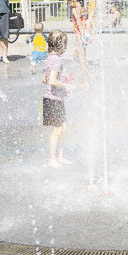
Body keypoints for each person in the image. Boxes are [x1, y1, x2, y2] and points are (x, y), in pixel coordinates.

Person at [43, 30, 74, 167]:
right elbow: (52, 80)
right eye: (65, 45)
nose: (65, 48)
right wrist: (67, 85)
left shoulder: (49, 58)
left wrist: (62, 87)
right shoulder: (57, 60)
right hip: (53, 100)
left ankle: (60, 156)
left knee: (64, 128)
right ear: (59, 46)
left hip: (54, 99)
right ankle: (52, 159)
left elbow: (44, 78)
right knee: (57, 131)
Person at [67, 0, 91, 79]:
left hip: (79, 33)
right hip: (84, 32)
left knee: (79, 53)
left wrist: (81, 34)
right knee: (81, 52)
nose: (69, 5)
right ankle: (83, 69)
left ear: (73, 0)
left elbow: (78, 21)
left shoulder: (75, 10)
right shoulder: (83, 8)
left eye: (69, 2)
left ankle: (83, 71)